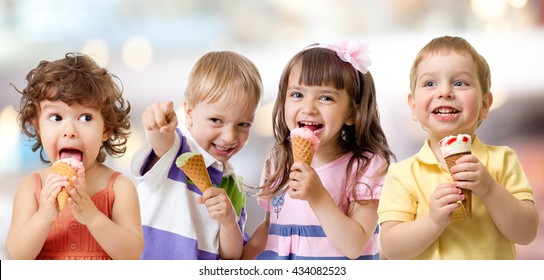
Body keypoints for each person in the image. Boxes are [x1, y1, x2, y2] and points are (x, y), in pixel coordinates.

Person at [377, 36, 539, 259]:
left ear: (484, 104)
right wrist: (432, 221)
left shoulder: (503, 160)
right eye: (430, 83)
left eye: (460, 83)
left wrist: (490, 189)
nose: (444, 92)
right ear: (414, 107)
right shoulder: (402, 174)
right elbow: (391, 249)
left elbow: (526, 232)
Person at [242, 40, 394, 260]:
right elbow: (269, 227)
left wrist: (318, 197)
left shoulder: (366, 167)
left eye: (326, 98)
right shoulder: (278, 161)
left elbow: (354, 246)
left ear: (352, 113)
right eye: (297, 95)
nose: (308, 108)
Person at [6, 53, 143, 260]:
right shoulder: (31, 187)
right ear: (38, 127)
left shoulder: (119, 188)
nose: (69, 130)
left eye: (85, 117)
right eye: (56, 117)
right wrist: (44, 216)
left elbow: (132, 254)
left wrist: (93, 217)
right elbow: (17, 255)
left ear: (105, 129)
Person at [131, 51, 263, 260]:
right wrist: (157, 124)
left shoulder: (233, 186)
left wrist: (228, 220)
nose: (229, 137)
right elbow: (160, 142)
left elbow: (231, 256)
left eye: (243, 124)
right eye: (216, 120)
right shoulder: (176, 150)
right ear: (190, 114)